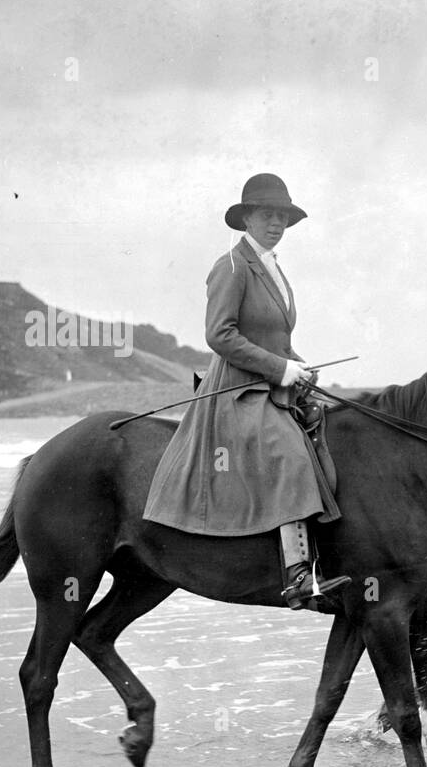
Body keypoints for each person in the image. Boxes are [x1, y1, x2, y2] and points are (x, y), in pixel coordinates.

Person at [143, 172, 349, 609]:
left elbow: (276, 335)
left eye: (281, 216)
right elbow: (220, 335)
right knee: (288, 452)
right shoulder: (232, 266)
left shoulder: (274, 268)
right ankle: (297, 575)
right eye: (266, 215)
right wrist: (280, 369)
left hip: (272, 381)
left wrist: (299, 365)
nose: (275, 223)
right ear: (247, 219)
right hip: (238, 390)